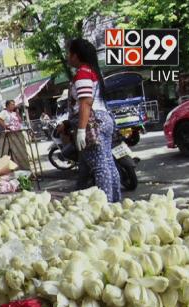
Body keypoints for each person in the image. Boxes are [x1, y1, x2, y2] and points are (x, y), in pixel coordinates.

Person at [68, 38, 121, 202]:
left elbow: (86, 102)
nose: (67, 57)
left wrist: (82, 130)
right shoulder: (95, 72)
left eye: (69, 53)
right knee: (108, 162)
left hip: (93, 122)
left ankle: (105, 205)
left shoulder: (82, 74)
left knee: (100, 166)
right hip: (105, 118)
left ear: (75, 56)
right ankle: (115, 201)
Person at [0, 100, 31, 171]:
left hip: (18, 133)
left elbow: (19, 120)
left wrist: (17, 113)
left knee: (20, 151)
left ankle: (22, 167)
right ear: (8, 105)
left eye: (14, 105)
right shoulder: (4, 112)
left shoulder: (14, 113)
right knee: (11, 152)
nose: (13, 106)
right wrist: (5, 126)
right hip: (10, 134)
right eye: (12, 105)